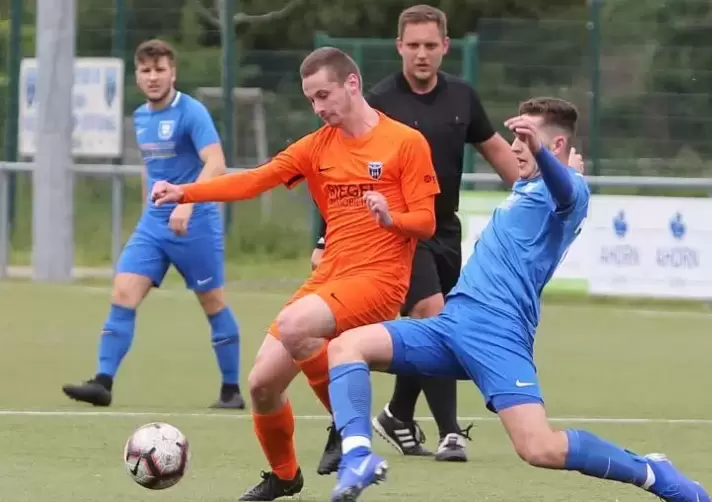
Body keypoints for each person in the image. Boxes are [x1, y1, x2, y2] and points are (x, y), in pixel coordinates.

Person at [324, 97, 712, 502]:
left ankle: (652, 473)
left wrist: (545, 155)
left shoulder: (570, 189)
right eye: (515, 137)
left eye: (524, 138)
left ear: (555, 144)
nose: (513, 147)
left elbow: (565, 189)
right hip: (452, 324)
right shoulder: (526, 190)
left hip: (498, 334)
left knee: (539, 448)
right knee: (346, 347)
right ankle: (358, 458)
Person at [150, 46, 440, 501]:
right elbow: (254, 179)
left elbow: (426, 221)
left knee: (295, 325)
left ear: (352, 84)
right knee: (262, 384)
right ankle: (285, 476)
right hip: (330, 276)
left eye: (324, 94)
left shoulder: (405, 142)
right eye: (311, 100)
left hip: (380, 278)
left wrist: (392, 219)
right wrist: (185, 191)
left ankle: (350, 433)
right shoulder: (316, 146)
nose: (319, 107)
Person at [311, 4, 519, 465]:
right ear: (399, 47)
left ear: (445, 47)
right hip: (394, 233)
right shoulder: (380, 102)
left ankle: (399, 412)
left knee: (437, 329)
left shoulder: (462, 97)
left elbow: (497, 152)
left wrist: (534, 193)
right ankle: (449, 432)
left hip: (443, 229)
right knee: (431, 311)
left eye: (430, 45)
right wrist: (325, 237)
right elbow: (337, 174)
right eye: (413, 45)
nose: (421, 54)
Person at [61, 39, 245, 410]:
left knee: (213, 303)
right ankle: (103, 382)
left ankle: (231, 391)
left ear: (172, 72)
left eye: (160, 69)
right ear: (137, 76)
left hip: (195, 223)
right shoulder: (142, 117)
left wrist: (188, 202)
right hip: (155, 225)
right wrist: (149, 209)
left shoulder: (190, 112)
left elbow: (216, 163)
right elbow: (153, 170)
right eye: (146, 70)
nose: (153, 77)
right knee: (123, 292)